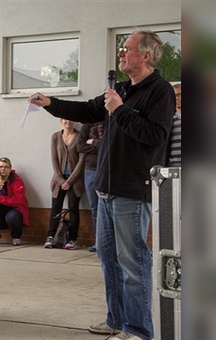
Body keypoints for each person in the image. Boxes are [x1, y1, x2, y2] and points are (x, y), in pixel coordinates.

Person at [29, 29, 174, 340]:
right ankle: (116, 320)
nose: (121, 52)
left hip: (132, 192)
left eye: (127, 48)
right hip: (105, 189)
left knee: (132, 261)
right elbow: (84, 110)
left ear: (146, 56)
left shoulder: (159, 91)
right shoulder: (121, 88)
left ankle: (138, 330)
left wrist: (118, 110)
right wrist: (50, 102)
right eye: (121, 48)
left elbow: (155, 136)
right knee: (109, 258)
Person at [44, 119, 85, 250]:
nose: (68, 121)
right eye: (64, 119)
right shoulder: (55, 137)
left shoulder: (80, 136)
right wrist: (62, 181)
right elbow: (54, 159)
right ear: (61, 121)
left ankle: (73, 239)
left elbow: (82, 160)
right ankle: (50, 236)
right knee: (55, 207)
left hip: (75, 180)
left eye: (70, 119)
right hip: (58, 180)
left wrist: (70, 181)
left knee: (73, 209)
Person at [77, 122, 104, 252]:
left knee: (109, 208)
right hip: (90, 171)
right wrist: (100, 147)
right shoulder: (86, 126)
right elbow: (80, 146)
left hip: (106, 171)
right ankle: (99, 242)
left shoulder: (109, 122)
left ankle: (110, 243)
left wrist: (93, 142)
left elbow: (111, 146)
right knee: (95, 208)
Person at [167, 83, 181, 166]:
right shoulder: (167, 118)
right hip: (173, 165)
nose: (176, 98)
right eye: (174, 95)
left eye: (179, 95)